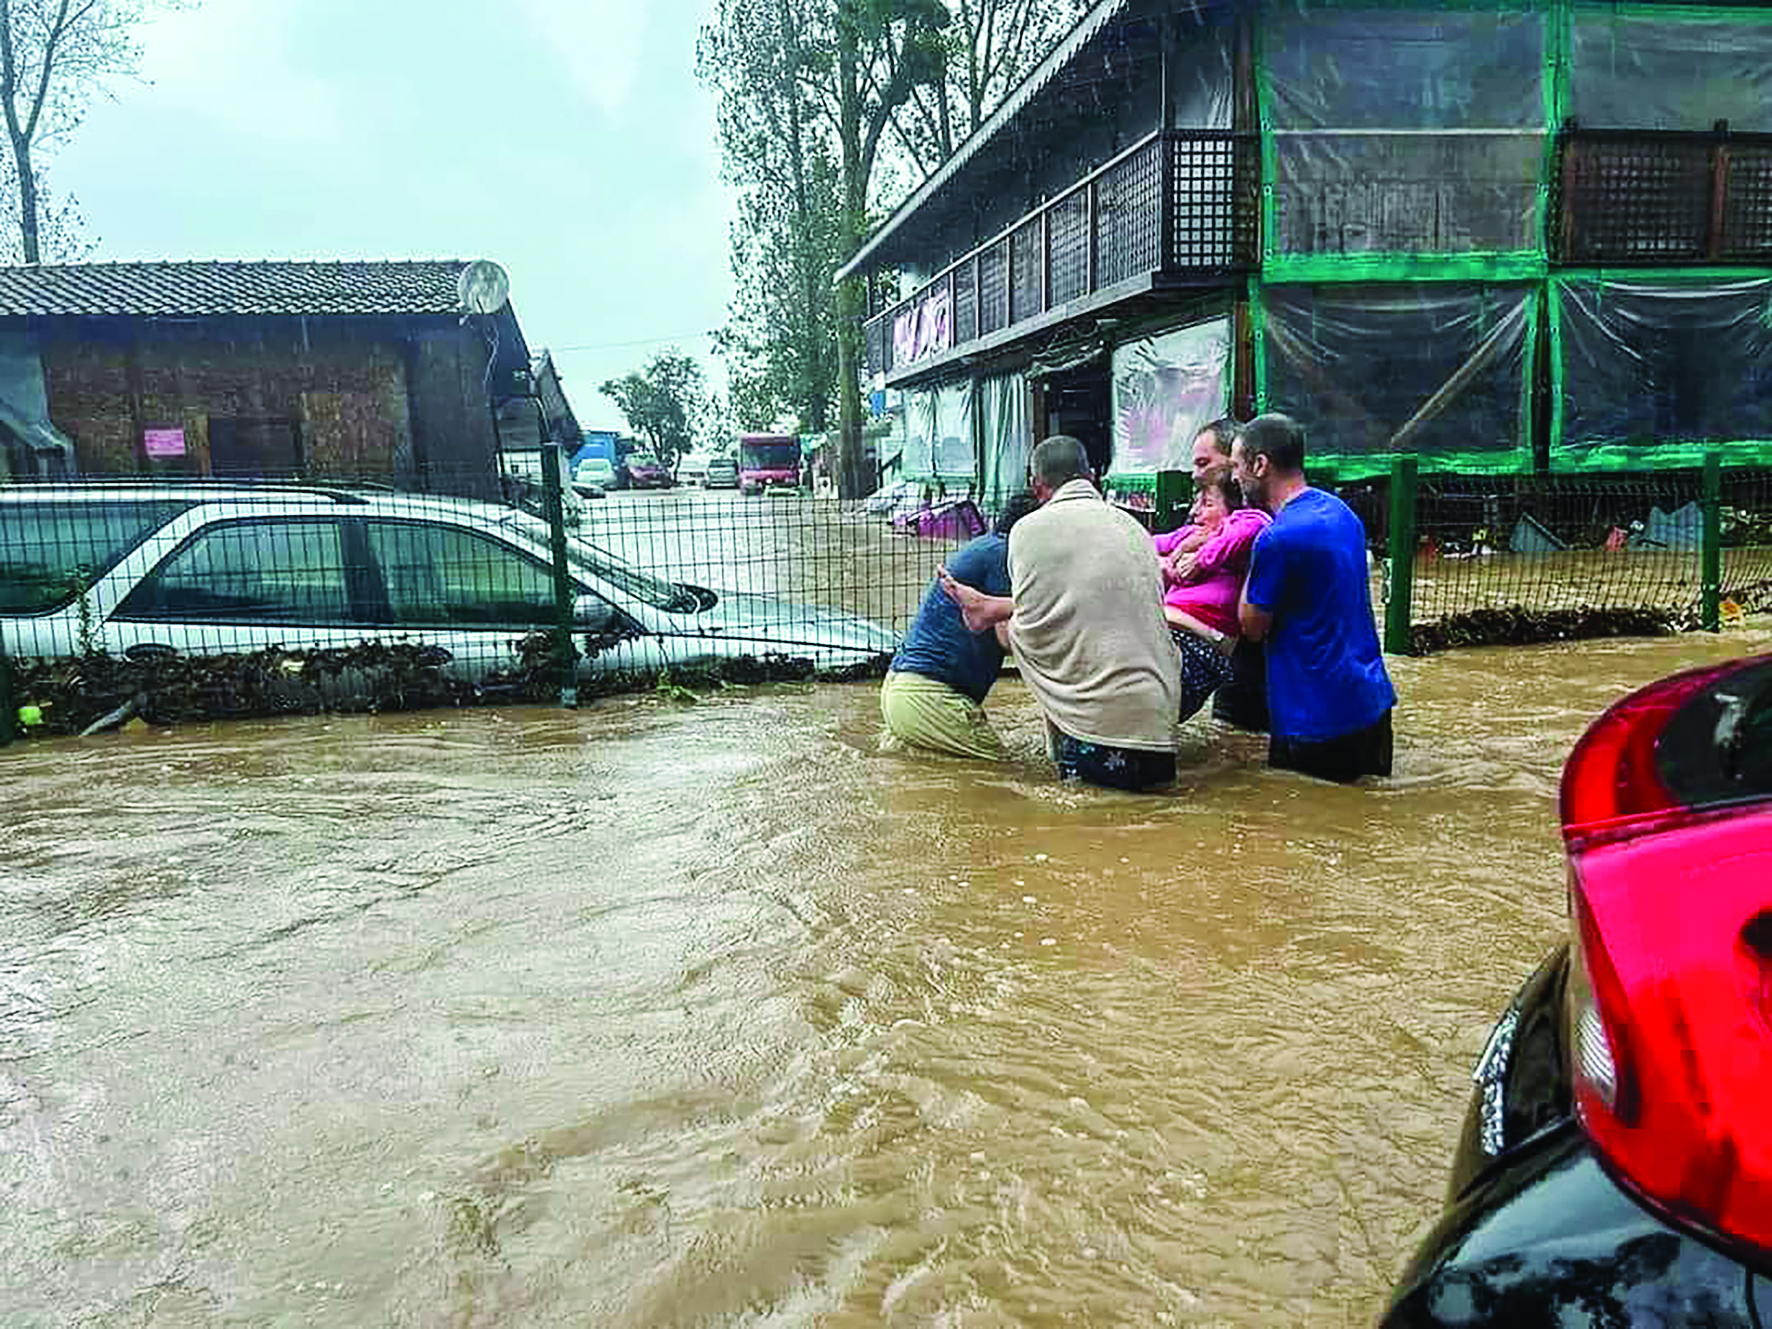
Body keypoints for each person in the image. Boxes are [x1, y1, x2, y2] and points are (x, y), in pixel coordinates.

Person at [938, 436, 1182, 792]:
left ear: (1037, 487)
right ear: (1093, 477)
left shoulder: (1027, 532)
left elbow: (1036, 628)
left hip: (1095, 724)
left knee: (1086, 835)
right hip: (1158, 715)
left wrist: (989, 616)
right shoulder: (1134, 528)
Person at [1232, 413, 1396, 783]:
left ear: (1260, 465)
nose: (1235, 478)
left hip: (1314, 717)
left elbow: (1252, 626)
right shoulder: (1343, 514)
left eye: (1238, 466)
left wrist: (1245, 552)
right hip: (1370, 703)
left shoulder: (1277, 538)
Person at [880, 492, 1040, 759]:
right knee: (1014, 778)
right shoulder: (1005, 555)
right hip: (930, 699)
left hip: (901, 691)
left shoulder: (986, 546)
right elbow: (1006, 637)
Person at [1152, 468, 1271, 722]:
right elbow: (1143, 543)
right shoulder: (1189, 535)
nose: (1195, 512)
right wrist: (1163, 560)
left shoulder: (1247, 525)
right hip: (1165, 632)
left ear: (1235, 508)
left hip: (1200, 647)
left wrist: (1200, 559)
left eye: (1206, 504)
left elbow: (1250, 528)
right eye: (1196, 503)